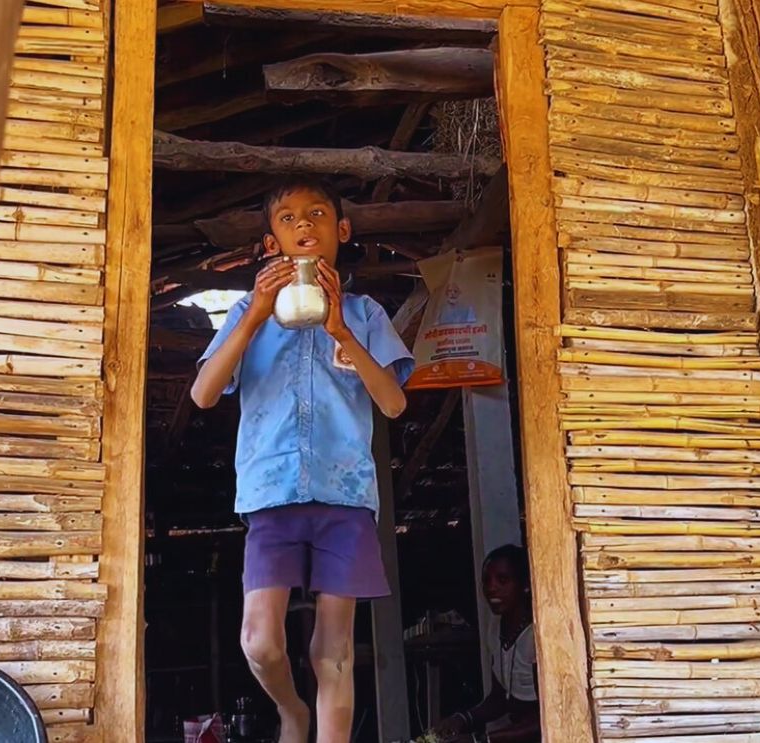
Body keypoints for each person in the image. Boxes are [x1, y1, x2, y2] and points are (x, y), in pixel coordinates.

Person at [190, 176, 414, 743]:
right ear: (271, 244)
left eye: (317, 214)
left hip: (345, 500)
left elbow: (392, 401)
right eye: (288, 219)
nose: (303, 225)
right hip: (272, 494)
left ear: (341, 231)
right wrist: (255, 313)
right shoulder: (248, 311)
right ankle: (292, 712)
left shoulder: (363, 313)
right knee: (260, 641)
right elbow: (203, 394)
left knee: (332, 651)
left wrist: (339, 329)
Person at [432, 544, 541, 743]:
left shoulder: (537, 637)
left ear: (525, 584)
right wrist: (462, 719)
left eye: (502, 580)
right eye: (486, 581)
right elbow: (501, 698)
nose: (491, 588)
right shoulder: (496, 627)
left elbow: (545, 717)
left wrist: (482, 740)